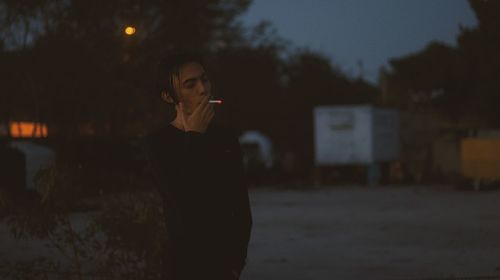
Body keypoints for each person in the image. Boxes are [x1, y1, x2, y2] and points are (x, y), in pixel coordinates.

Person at [146, 52, 253, 280]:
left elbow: (241, 205)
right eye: (190, 84)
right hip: (183, 266)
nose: (203, 89)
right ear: (168, 96)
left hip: (224, 267)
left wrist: (236, 263)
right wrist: (194, 136)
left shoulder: (225, 137)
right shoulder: (158, 142)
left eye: (204, 79)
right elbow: (182, 201)